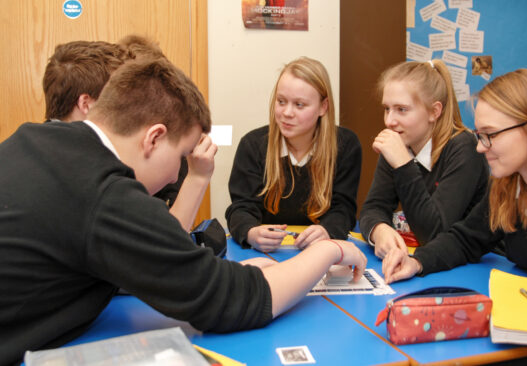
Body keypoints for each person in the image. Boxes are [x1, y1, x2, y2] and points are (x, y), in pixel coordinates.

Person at [0, 57, 367, 365]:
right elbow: (236, 302)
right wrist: (329, 250)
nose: (178, 173)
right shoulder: (106, 195)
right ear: (154, 137)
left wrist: (211, 270)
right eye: (181, 157)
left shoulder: (31, 139)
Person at [382, 68, 527, 320]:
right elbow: (466, 240)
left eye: (490, 135)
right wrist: (417, 262)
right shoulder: (507, 186)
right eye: (479, 135)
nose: (479, 147)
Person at [41, 36, 198, 231]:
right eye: (116, 96)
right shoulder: (87, 179)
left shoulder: (36, 149)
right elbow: (153, 247)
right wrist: (198, 177)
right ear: (86, 105)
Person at [226, 57, 362, 252]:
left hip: (320, 252)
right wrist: (251, 232)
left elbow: (344, 208)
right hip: (267, 253)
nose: (287, 113)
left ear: (323, 107)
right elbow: (241, 207)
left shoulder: (346, 145)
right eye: (281, 102)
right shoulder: (253, 145)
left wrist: (327, 231)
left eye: (299, 105)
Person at [359, 59, 488, 259]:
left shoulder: (464, 147)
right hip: (426, 260)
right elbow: (372, 208)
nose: (389, 121)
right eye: (387, 108)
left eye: (402, 109)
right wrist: (379, 230)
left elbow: (433, 233)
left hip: (474, 265)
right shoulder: (401, 139)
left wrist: (403, 164)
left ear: (434, 112)